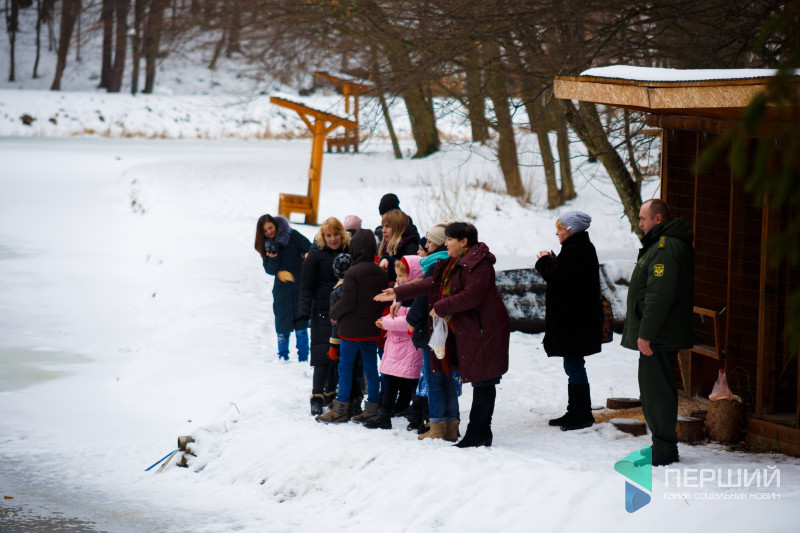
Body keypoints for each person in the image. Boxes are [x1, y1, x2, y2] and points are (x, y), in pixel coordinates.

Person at [377, 222, 510, 447]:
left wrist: (441, 307)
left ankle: (479, 432)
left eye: (449, 239)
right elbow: (431, 283)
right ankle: (478, 432)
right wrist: (398, 292)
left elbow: (472, 295)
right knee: (481, 381)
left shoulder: (479, 265)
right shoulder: (454, 263)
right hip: (473, 330)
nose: (445, 244)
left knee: (484, 381)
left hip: (485, 330)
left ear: (464, 242)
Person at [621, 199, 694, 467]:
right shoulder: (661, 244)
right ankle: (662, 445)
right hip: (660, 333)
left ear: (658, 219)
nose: (639, 223)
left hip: (659, 335)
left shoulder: (665, 247)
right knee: (654, 389)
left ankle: (664, 450)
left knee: (657, 392)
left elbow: (659, 295)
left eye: (643, 218)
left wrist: (646, 333)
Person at [535, 211, 602, 431]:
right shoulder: (579, 248)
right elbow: (568, 278)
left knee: (574, 365)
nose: (557, 233)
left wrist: (544, 261)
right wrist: (554, 261)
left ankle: (582, 414)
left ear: (570, 229)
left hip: (574, 322)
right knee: (572, 364)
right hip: (576, 320)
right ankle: (575, 410)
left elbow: (558, 279)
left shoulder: (575, 250)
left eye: (560, 228)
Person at [317, 229, 389, 424]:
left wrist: (333, 313)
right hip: (372, 329)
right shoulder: (380, 272)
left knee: (345, 368)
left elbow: (347, 301)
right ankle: (372, 409)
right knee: (371, 369)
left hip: (350, 330)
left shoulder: (352, 272)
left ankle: (341, 409)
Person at [405, 220, 459, 440]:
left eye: (429, 241)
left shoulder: (435, 266)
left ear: (438, 244)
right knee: (448, 378)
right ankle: (451, 426)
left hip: (432, 331)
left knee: (434, 379)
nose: (425, 245)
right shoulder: (454, 264)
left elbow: (422, 299)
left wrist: (411, 318)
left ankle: (437, 427)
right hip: (451, 331)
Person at [366, 256, 425, 430]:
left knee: (414, 384)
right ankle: (384, 416)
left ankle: (419, 418)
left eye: (401, 276)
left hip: (410, 346)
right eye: (397, 275)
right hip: (395, 344)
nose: (397, 279)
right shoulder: (400, 294)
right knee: (389, 380)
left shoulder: (417, 296)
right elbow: (396, 316)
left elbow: (409, 321)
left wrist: (385, 322)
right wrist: (386, 320)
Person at [298, 217, 349, 414]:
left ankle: (331, 393)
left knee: (337, 355)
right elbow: (306, 287)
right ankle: (317, 396)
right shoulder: (314, 255)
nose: (333, 238)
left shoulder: (348, 252)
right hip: (321, 311)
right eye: (329, 235)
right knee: (322, 355)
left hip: (343, 311)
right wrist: (303, 312)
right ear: (323, 236)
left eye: (336, 234)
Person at [254, 214, 311, 361]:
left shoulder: (292, 235)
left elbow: (309, 248)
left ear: (275, 225)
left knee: (301, 328)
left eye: (270, 228)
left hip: (299, 288)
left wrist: (306, 256)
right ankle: (283, 356)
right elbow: (270, 270)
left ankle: (303, 358)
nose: (269, 232)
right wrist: (273, 257)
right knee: (282, 328)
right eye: (265, 231)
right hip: (282, 292)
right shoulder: (267, 245)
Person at [378, 209, 420, 283]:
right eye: (383, 226)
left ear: (398, 228)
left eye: (388, 226)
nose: (383, 230)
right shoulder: (387, 247)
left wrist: (388, 260)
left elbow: (406, 275)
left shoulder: (412, 246)